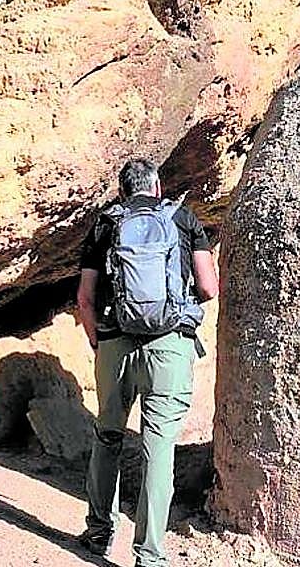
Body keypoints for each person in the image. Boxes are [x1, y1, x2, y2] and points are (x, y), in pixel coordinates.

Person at [74, 158, 220, 567]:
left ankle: (99, 532)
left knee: (108, 436)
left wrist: (99, 342)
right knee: (158, 448)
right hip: (169, 346)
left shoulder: (106, 224)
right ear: (157, 188)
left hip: (115, 345)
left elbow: (85, 297)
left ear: (123, 192)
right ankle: (150, 556)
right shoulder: (183, 219)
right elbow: (209, 287)